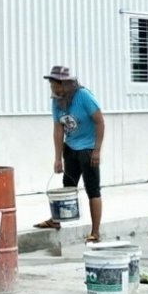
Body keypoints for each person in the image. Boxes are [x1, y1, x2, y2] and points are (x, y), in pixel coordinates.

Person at [38, 64, 106, 239]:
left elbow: (100, 122)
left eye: (56, 84)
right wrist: (58, 158)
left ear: (66, 84)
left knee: (92, 189)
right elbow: (58, 129)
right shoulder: (57, 101)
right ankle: (57, 220)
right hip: (71, 147)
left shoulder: (84, 96)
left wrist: (97, 150)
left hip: (88, 149)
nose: (53, 88)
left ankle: (95, 232)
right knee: (68, 185)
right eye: (52, 84)